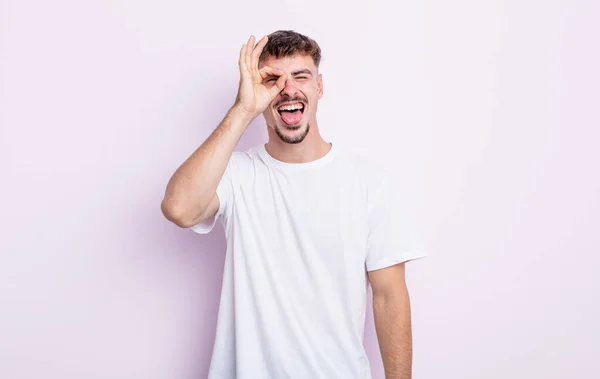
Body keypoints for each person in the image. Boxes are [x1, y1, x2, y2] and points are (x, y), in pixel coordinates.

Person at [161, 30, 426, 379]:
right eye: (273, 79)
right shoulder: (236, 174)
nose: (288, 89)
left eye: (301, 76)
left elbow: (390, 297)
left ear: (319, 87)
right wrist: (242, 110)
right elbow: (179, 208)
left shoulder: (369, 182)